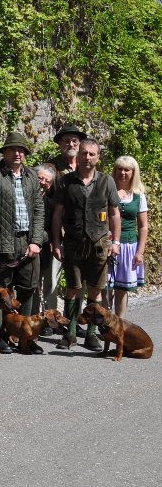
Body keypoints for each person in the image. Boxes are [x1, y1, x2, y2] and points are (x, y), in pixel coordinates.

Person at [0, 132, 45, 353]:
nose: (17, 153)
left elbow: (38, 209)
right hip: (1, 244)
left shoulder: (31, 176)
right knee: (1, 293)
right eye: (13, 149)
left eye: (21, 150)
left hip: (27, 243)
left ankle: (25, 336)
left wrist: (36, 241)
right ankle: (2, 336)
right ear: (4, 152)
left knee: (27, 289)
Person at [51, 138, 121, 351]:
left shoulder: (107, 181)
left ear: (98, 157)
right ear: (77, 155)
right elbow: (57, 214)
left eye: (92, 154)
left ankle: (91, 334)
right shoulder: (65, 181)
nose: (87, 158)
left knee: (95, 290)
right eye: (84, 153)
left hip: (100, 245)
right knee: (73, 289)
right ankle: (71, 332)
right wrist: (56, 242)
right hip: (73, 243)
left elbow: (115, 214)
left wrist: (116, 242)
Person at [42, 124, 87, 314]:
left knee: (80, 278)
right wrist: (54, 238)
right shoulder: (51, 167)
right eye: (66, 141)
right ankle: (50, 318)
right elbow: (45, 202)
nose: (71, 144)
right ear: (59, 144)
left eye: (75, 140)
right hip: (58, 232)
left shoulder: (87, 165)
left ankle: (75, 319)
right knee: (51, 278)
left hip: (82, 233)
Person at [109, 156, 148, 320]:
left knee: (121, 289)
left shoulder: (138, 196)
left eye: (127, 170)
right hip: (107, 244)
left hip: (128, 246)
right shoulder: (107, 190)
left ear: (133, 173)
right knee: (104, 287)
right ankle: (102, 323)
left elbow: (143, 226)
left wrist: (140, 252)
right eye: (120, 169)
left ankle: (119, 323)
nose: (122, 173)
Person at [33, 164, 58, 328]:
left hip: (44, 247)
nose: (42, 182)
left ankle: (47, 321)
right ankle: (32, 318)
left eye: (47, 181)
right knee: (31, 284)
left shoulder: (50, 203)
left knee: (42, 283)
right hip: (25, 246)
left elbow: (52, 226)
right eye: (40, 178)